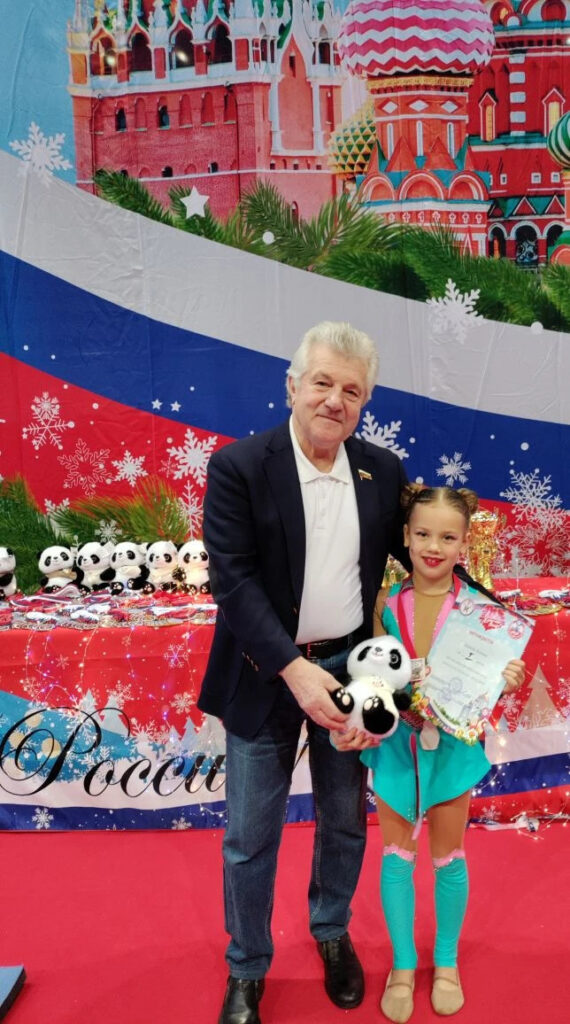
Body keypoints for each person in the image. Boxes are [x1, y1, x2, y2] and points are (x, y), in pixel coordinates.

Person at [197, 321, 410, 1024]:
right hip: (264, 672)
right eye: (322, 382)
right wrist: (293, 669)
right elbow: (233, 584)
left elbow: (414, 568)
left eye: (352, 390)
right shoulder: (238, 467)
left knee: (344, 821)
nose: (334, 400)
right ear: (292, 386)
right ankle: (246, 966)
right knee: (250, 836)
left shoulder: (383, 471)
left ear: (365, 402)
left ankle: (331, 931)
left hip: (351, 670)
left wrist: (414, 668)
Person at [332, 484, 526, 1023]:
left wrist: (506, 679)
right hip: (398, 750)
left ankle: (445, 962)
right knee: (396, 857)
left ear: (464, 543)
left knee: (448, 857)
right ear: (406, 536)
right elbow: (369, 674)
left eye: (446, 537)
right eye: (422, 534)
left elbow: (489, 682)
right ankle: (402, 964)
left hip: (453, 752)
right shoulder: (386, 604)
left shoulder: (483, 612)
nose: (433, 547)